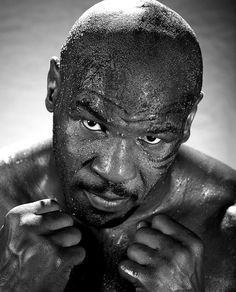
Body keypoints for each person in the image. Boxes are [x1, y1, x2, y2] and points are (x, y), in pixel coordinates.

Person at [0, 0, 236, 291]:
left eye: (151, 138)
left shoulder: (228, 228)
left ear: (187, 121)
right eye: (93, 125)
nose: (114, 171)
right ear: (54, 88)